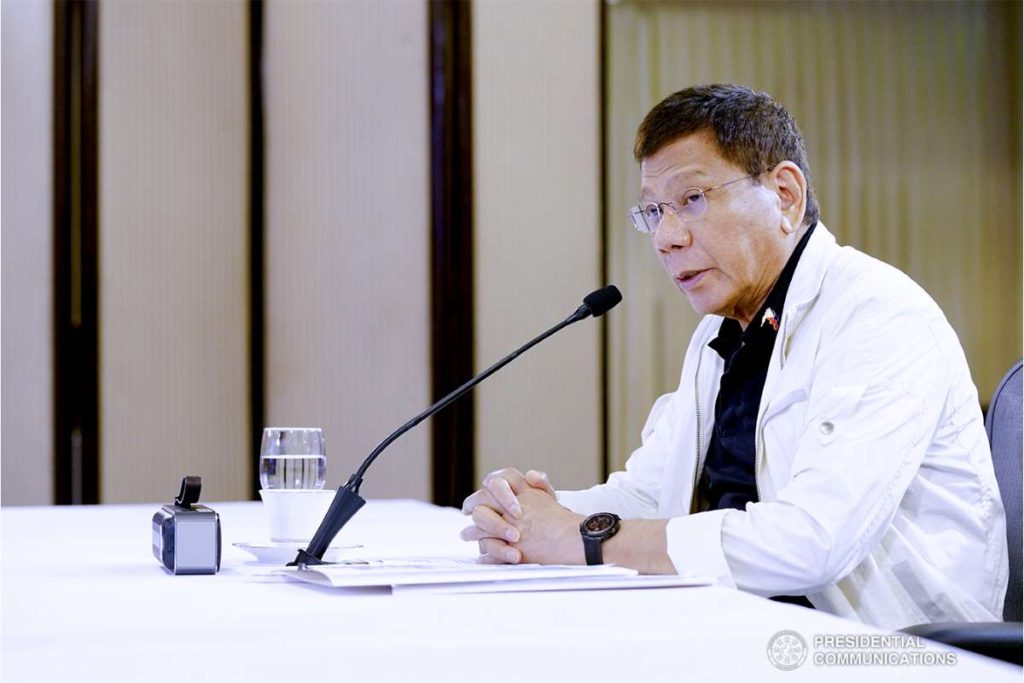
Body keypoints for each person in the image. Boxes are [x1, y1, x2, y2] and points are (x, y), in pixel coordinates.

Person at [459, 84, 1008, 629]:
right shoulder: (720, 333)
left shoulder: (879, 317)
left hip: (884, 649)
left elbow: (811, 543)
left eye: (692, 200)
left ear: (785, 195)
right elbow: (651, 492)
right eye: (652, 211)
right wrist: (529, 514)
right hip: (746, 626)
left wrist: (579, 537)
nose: (666, 238)